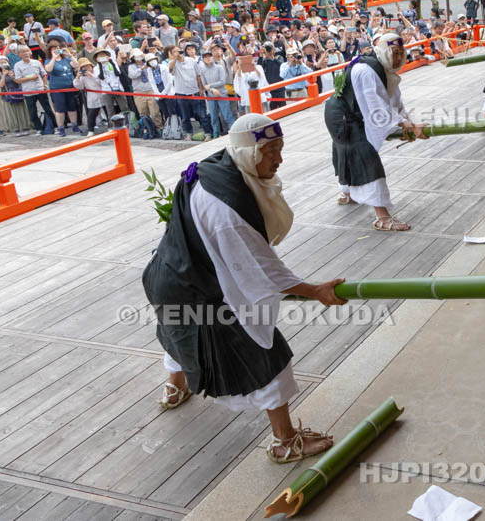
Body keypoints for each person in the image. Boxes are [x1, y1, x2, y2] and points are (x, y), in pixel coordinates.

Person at [143, 114, 345, 462]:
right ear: (249, 152)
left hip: (166, 275)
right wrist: (316, 291)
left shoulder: (216, 166)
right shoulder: (225, 207)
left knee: (178, 333)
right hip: (197, 290)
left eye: (281, 148)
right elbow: (259, 269)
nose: (279, 159)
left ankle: (175, 388)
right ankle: (284, 442)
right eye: (271, 151)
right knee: (265, 354)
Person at [325, 33, 426, 231]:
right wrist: (405, 125)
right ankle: (382, 218)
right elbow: (377, 109)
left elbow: (395, 103)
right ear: (383, 52)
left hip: (354, 113)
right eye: (394, 53)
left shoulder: (385, 69)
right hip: (342, 117)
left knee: (349, 153)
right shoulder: (366, 71)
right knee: (365, 156)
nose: (398, 58)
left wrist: (408, 123)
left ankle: (347, 193)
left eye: (401, 53)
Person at [169, 44, 213, 138]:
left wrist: (200, 88)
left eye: (178, 50)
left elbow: (198, 75)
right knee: (185, 116)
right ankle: (189, 133)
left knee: (202, 114)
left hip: (194, 91)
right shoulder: (173, 63)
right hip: (181, 93)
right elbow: (170, 70)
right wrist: (175, 58)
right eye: (174, 51)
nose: (178, 53)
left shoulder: (191, 61)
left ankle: (207, 133)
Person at [44, 36, 84, 136]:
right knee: (60, 109)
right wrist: (54, 57)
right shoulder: (48, 60)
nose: (56, 50)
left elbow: (76, 65)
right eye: (53, 49)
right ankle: (61, 128)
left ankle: (75, 125)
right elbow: (48, 69)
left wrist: (70, 55)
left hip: (70, 87)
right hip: (57, 89)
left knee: (72, 107)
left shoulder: (66, 59)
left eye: (57, 48)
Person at [13, 44, 56, 134]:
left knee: (48, 109)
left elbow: (44, 74)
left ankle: (54, 126)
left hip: (40, 89)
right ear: (19, 54)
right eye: (23, 52)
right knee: (32, 112)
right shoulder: (17, 65)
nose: (26, 53)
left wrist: (45, 85)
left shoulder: (37, 62)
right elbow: (18, 80)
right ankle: (38, 128)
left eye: (27, 51)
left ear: (30, 52)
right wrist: (30, 78)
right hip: (28, 92)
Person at [201, 47, 236, 138]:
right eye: (205, 57)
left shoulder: (219, 68)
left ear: (212, 57)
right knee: (213, 117)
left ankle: (234, 132)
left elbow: (222, 81)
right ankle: (215, 134)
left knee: (227, 115)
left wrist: (210, 86)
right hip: (211, 96)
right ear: (203, 59)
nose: (208, 58)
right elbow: (204, 85)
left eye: (209, 56)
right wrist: (211, 89)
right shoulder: (202, 70)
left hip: (222, 95)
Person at [128, 50, 167, 129]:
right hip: (138, 92)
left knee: (155, 112)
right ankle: (147, 128)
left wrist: (146, 58)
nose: (138, 57)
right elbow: (132, 75)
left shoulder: (148, 64)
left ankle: (159, 127)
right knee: (143, 112)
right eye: (136, 56)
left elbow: (157, 64)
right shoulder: (131, 66)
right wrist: (141, 68)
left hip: (151, 90)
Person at [73, 58, 105, 135]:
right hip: (92, 96)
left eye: (87, 66)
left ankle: (111, 127)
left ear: (91, 65)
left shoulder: (97, 71)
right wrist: (77, 77)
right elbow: (80, 87)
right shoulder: (82, 76)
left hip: (103, 93)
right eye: (83, 67)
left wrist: (92, 76)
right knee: (91, 114)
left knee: (108, 110)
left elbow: (102, 82)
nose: (86, 68)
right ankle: (91, 130)